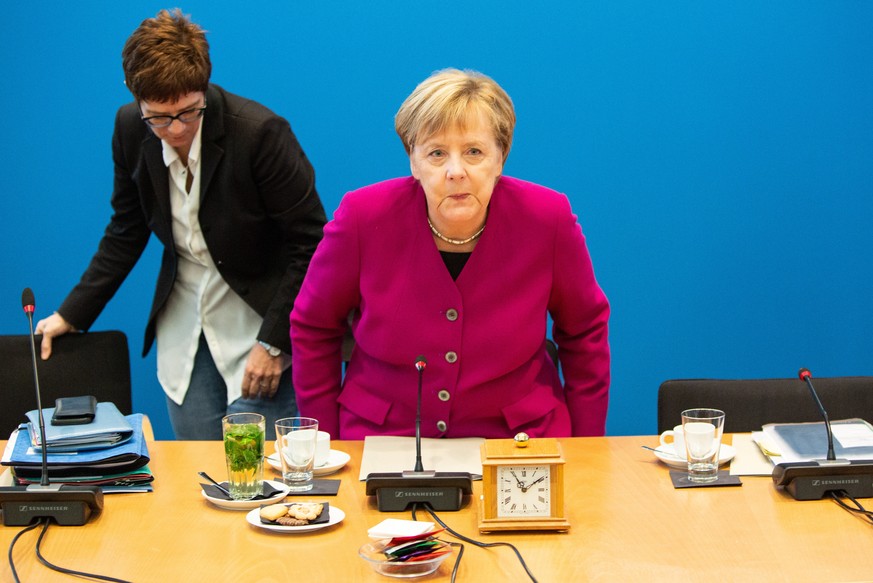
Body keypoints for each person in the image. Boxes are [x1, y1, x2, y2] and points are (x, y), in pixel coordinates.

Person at [35, 9, 326, 440]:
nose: (174, 129)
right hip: (185, 328)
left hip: (259, 324)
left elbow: (312, 242)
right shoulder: (130, 128)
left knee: (261, 479)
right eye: (158, 116)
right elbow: (125, 230)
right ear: (135, 97)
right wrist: (72, 313)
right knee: (198, 476)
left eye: (189, 112)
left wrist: (274, 343)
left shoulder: (260, 134)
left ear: (204, 88)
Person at [290, 68, 609, 440]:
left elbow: (585, 333)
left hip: (518, 441)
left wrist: (589, 447)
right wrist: (324, 442)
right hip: (382, 439)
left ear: (500, 157)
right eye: (437, 153)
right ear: (413, 161)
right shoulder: (363, 216)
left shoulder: (547, 218)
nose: (455, 171)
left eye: (474, 152)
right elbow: (314, 326)